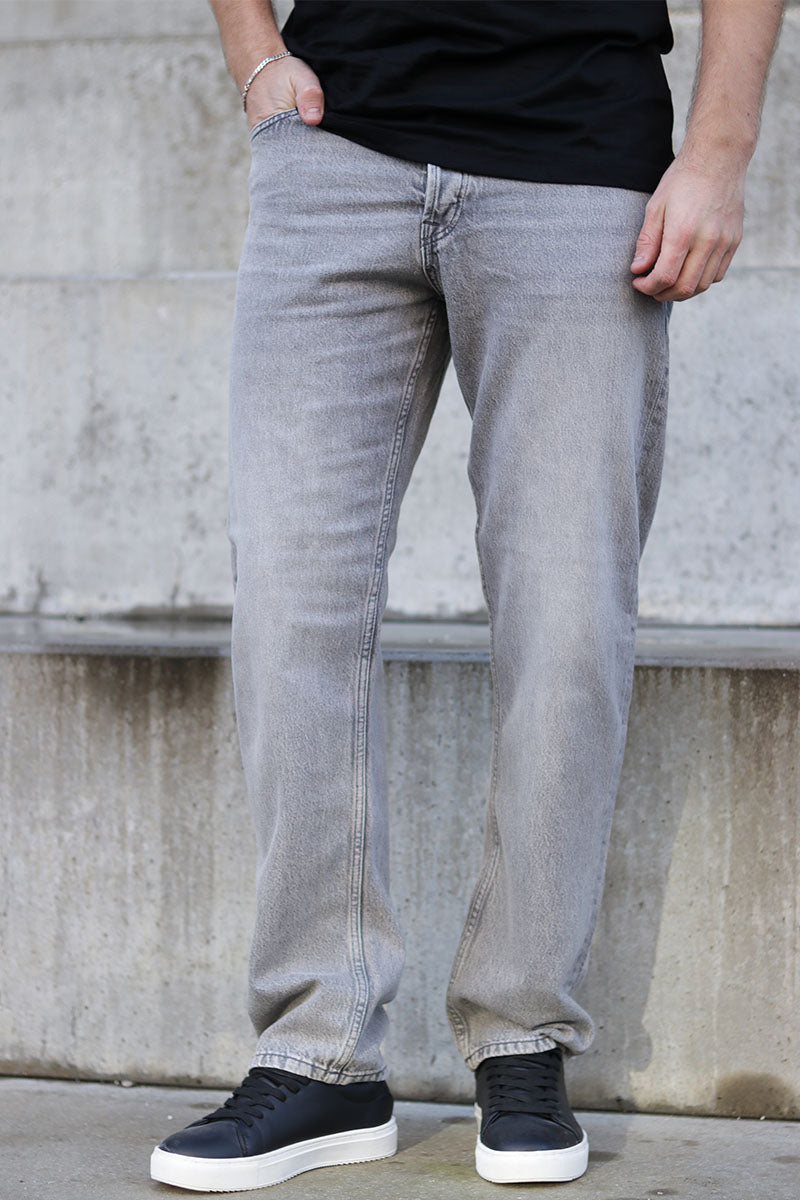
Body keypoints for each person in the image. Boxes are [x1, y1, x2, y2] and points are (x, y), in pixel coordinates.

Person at [150, 0, 784, 1190]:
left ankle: (521, 1033)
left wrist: (716, 149)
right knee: (288, 604)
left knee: (565, 613)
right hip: (336, 152)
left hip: (575, 163)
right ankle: (320, 1053)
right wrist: (254, 57)